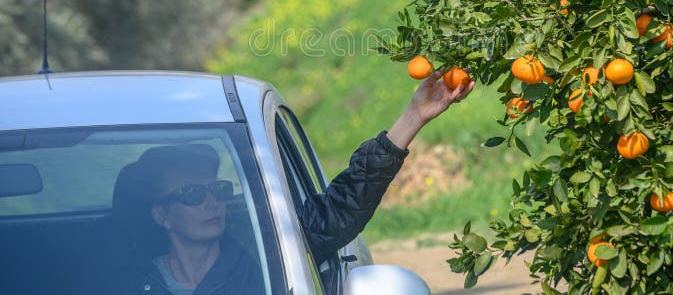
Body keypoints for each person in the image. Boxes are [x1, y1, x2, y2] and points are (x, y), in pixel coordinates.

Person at [113, 70, 474, 295]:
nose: (212, 202)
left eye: (218, 189)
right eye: (193, 194)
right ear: (161, 215)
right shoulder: (125, 279)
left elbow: (345, 203)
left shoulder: (268, 247)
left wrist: (414, 116)